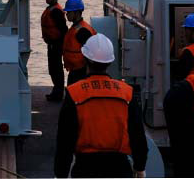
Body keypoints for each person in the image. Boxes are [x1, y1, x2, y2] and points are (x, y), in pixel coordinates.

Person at [54, 34, 148, 178]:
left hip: (85, 169)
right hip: (120, 169)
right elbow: (138, 137)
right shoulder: (127, 93)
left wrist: (60, 174)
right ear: (110, 62)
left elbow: (64, 143)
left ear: (85, 59)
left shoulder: (74, 94)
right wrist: (140, 168)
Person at [62, 0, 97, 86]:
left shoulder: (82, 31)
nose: (67, 14)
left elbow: (91, 53)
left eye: (69, 12)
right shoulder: (76, 28)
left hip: (80, 72)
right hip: (75, 70)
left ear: (77, 13)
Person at [41, 0, 68, 101]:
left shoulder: (56, 11)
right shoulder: (51, 9)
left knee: (56, 68)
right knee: (53, 68)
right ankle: (56, 91)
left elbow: (63, 29)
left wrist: (61, 44)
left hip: (56, 44)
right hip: (52, 44)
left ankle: (58, 93)